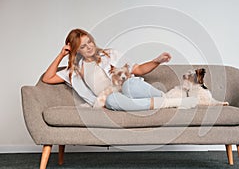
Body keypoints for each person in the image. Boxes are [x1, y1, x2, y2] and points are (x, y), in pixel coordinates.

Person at [42, 28, 197, 111]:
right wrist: (61, 54)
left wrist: (157, 61)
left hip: (132, 90)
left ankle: (166, 99)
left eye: (89, 42)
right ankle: (172, 103)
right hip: (118, 99)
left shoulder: (110, 54)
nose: (89, 47)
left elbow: (138, 70)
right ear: (76, 50)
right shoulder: (74, 71)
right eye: (83, 46)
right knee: (111, 100)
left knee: (130, 85)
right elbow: (47, 78)